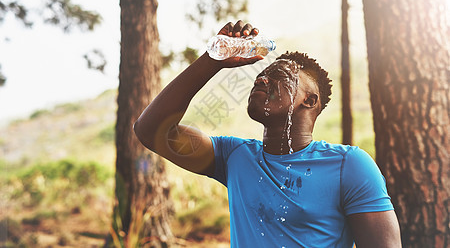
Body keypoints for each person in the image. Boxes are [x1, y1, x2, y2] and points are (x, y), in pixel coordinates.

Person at [134, 21, 402, 247]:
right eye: (261, 75)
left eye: (279, 76)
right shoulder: (233, 157)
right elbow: (150, 131)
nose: (262, 80)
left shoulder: (349, 165)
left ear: (309, 101)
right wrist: (212, 60)